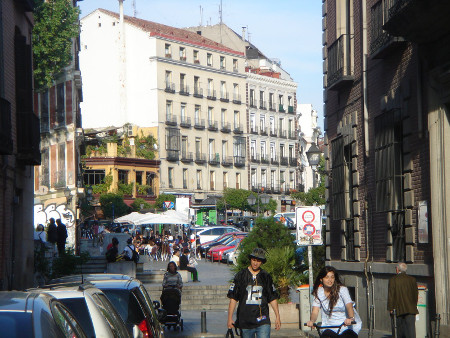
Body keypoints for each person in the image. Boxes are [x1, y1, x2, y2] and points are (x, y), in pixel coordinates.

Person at [227, 248, 281, 338]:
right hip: (245, 320)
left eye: (258, 261)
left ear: (262, 262)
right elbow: (233, 298)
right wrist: (229, 318)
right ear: (250, 259)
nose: (255, 263)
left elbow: (272, 298)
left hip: (263, 320)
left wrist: (277, 317)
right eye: (253, 260)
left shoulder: (266, 276)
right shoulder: (241, 275)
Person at [306, 266, 362, 337]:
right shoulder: (318, 292)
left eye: (332, 277)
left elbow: (349, 305)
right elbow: (315, 311)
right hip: (329, 326)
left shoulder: (342, 290)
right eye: (327, 277)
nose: (330, 280)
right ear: (321, 279)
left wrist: (351, 318)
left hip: (345, 325)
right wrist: (312, 321)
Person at [387, 262, 418, 338]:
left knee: (398, 332)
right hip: (410, 309)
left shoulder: (393, 280)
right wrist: (414, 305)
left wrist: (390, 308)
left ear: (397, 269)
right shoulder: (412, 279)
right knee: (410, 331)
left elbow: (391, 295)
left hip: (397, 309)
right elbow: (415, 294)